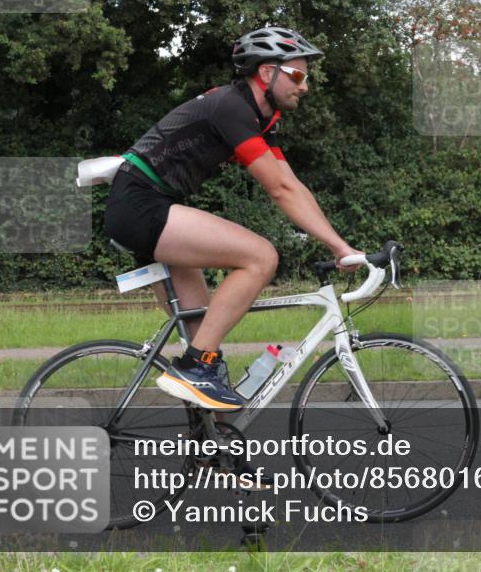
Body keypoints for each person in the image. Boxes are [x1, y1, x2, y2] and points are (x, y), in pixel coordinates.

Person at [104, 26, 360, 412]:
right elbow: (280, 191)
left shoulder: (258, 117)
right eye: (298, 75)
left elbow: (291, 183)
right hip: (140, 205)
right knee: (260, 256)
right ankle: (194, 366)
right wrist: (340, 248)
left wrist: (339, 243)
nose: (305, 86)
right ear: (265, 73)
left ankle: (218, 460)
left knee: (208, 356)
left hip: (149, 206)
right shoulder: (232, 108)